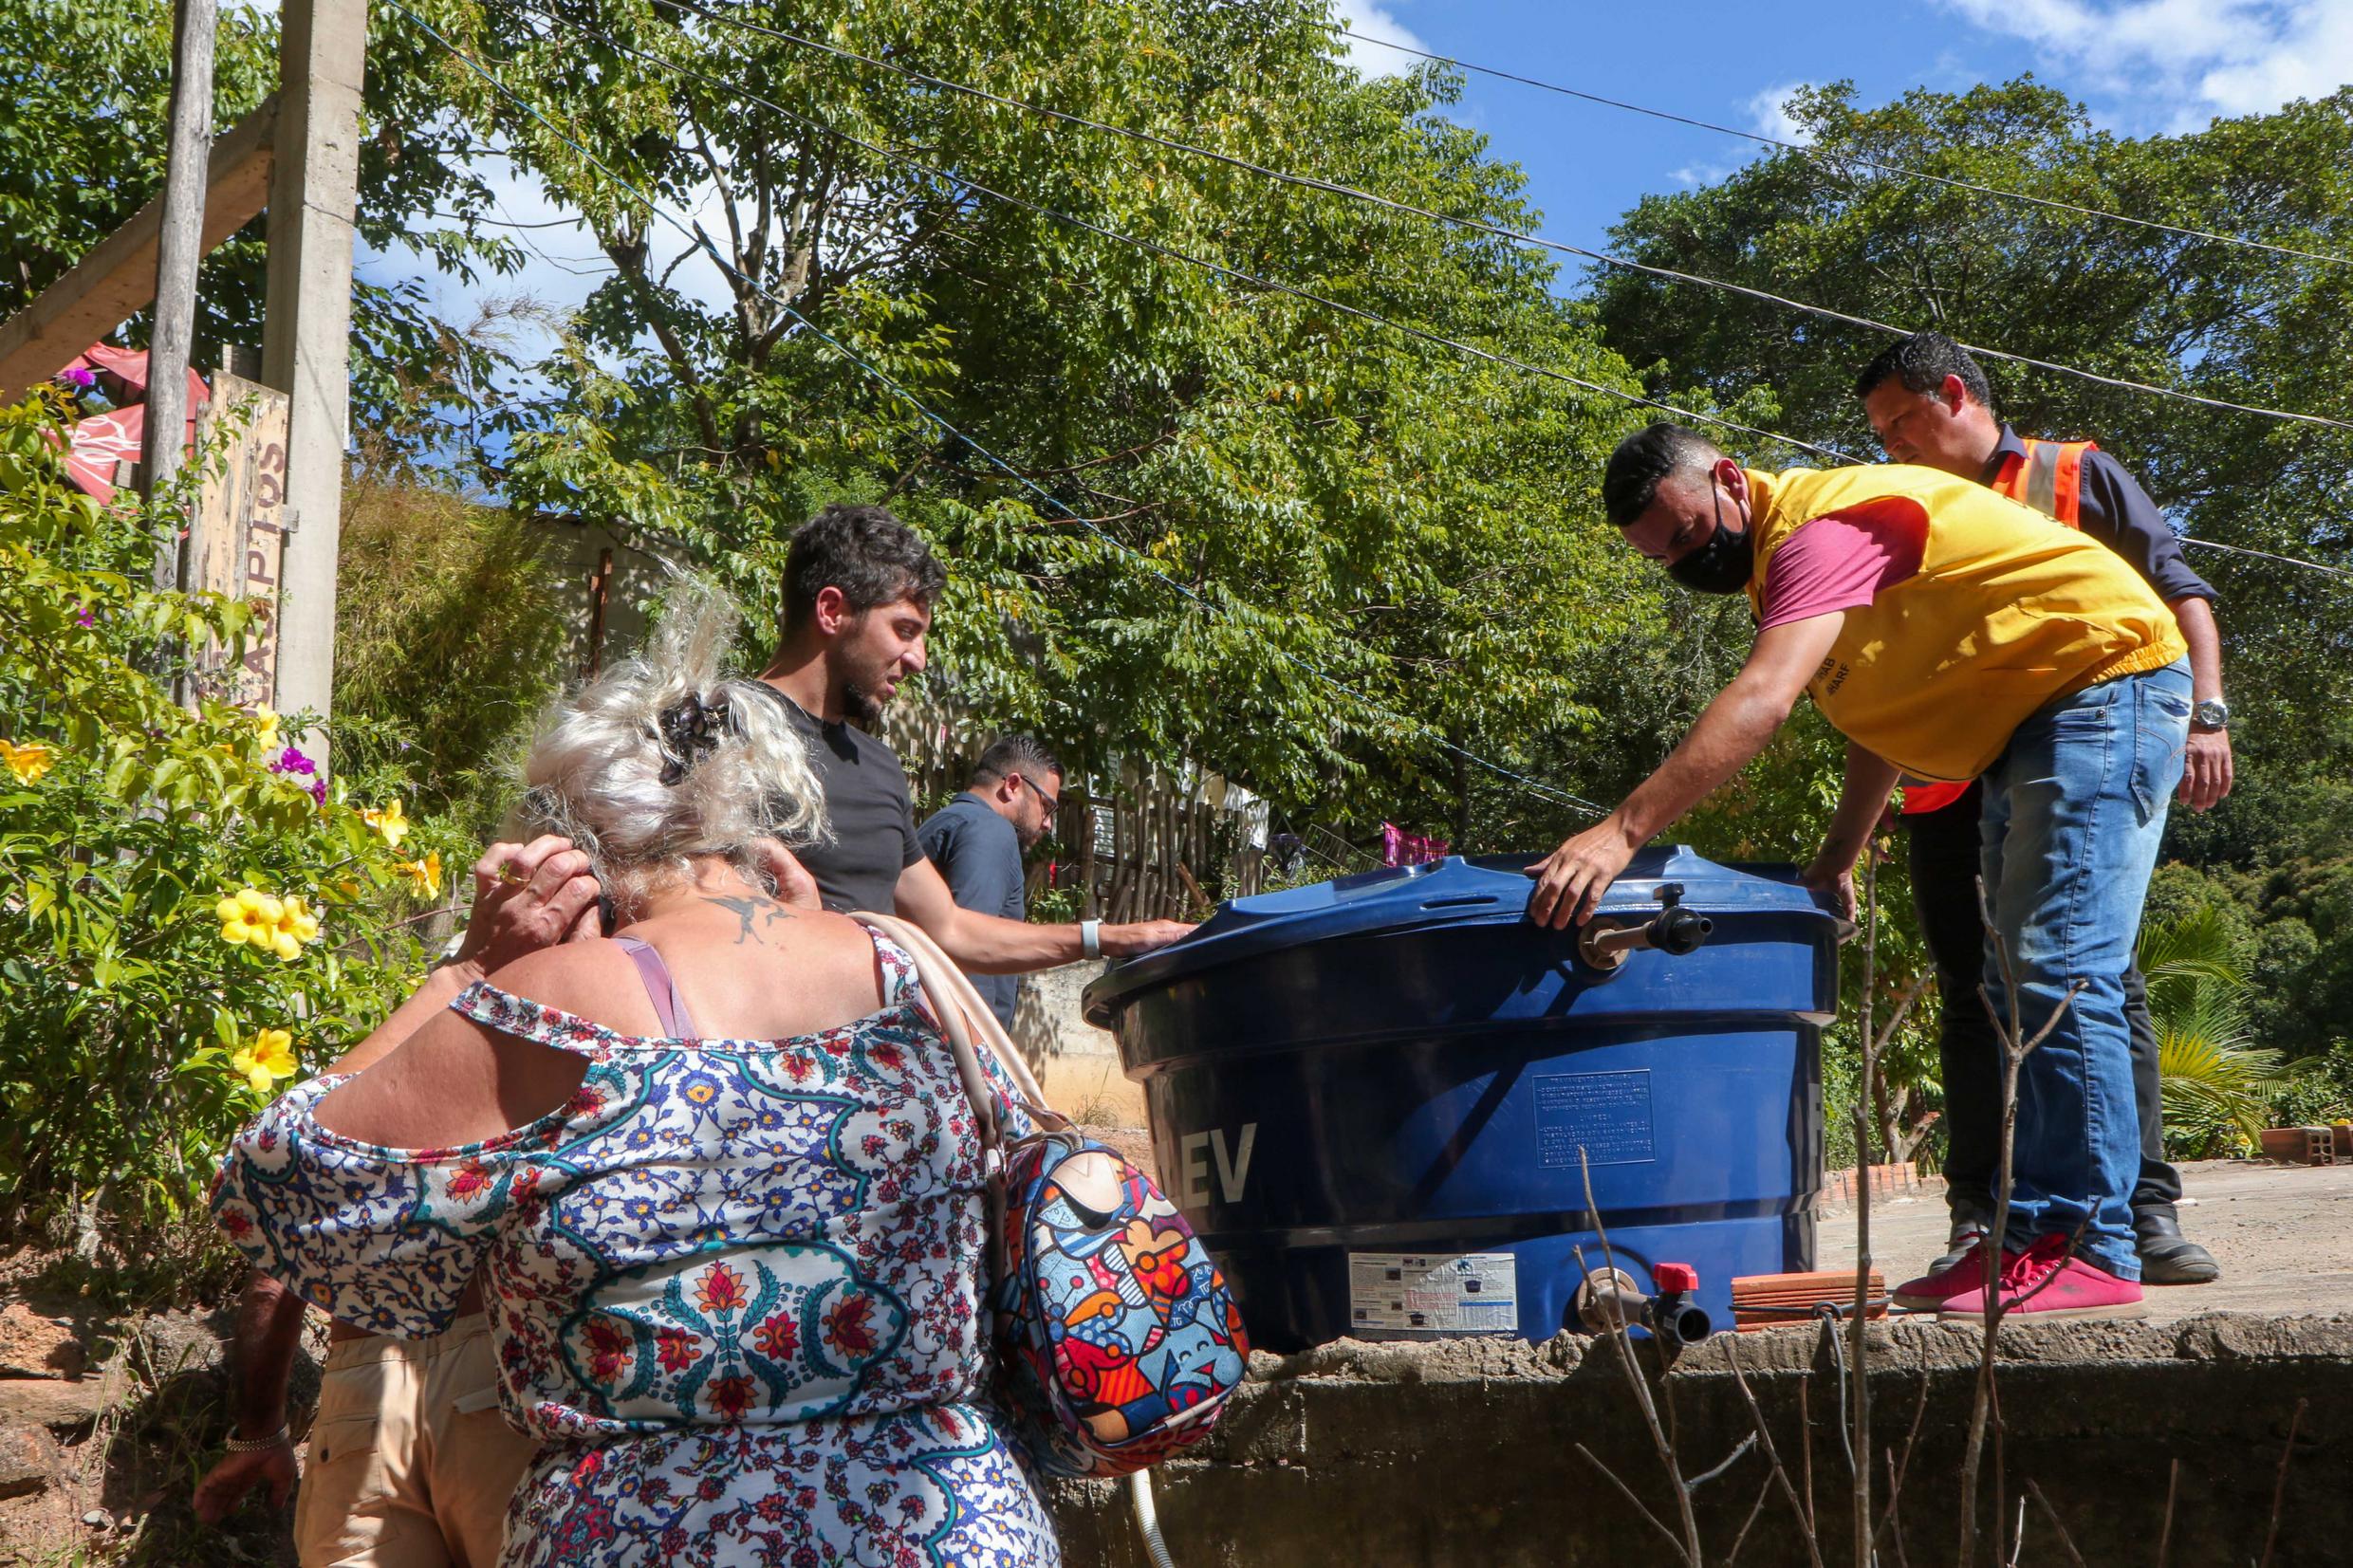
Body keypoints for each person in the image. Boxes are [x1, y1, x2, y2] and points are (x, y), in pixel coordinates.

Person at [211, 582, 1062, 1566]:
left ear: (575, 837)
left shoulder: (560, 1000)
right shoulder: (903, 963)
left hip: (661, 1534)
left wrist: (468, 971)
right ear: (753, 820)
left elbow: (272, 1186)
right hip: (949, 1526)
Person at [1529, 423, 2192, 1322]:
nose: (1688, 560)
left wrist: (1620, 831)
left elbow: (1762, 701)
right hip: (2032, 722)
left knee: (2060, 969)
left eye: (1688, 534)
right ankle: (2026, 1234)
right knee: (2010, 984)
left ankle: (2093, 1243)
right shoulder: (1790, 566)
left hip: (2101, 683)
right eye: (1665, 557)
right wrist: (1837, 856)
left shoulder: (1820, 530)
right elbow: (1877, 711)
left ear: (1730, 478)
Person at [1854, 331, 2230, 1286]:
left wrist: (2204, 716)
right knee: (1974, 997)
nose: (1890, 443)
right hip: (1948, 779)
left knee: (2092, 977)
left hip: (2081, 748)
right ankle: (1986, 1220)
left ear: (1952, 394)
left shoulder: (2075, 477)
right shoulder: (1900, 509)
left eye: (1899, 420)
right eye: (1879, 432)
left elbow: (2179, 592)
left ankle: (2136, 1213)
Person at [194, 834, 609, 1565]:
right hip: (518, 1379)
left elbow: (278, 1265)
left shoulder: (414, 1057)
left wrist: (259, 1428)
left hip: (365, 1389)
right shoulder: (614, 1033)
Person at [748, 502, 1190, 969]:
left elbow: (951, 929)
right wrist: (800, 930)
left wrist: (1114, 937)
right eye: (904, 630)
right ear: (832, 610)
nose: (918, 658)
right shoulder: (715, 732)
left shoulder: (877, 767)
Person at [916, 735, 1065, 1030]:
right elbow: (970, 944)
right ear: (1012, 785)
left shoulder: (942, 823)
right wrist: (978, 1044)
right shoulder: (989, 829)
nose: (1047, 822)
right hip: (958, 1040)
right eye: (1047, 806)